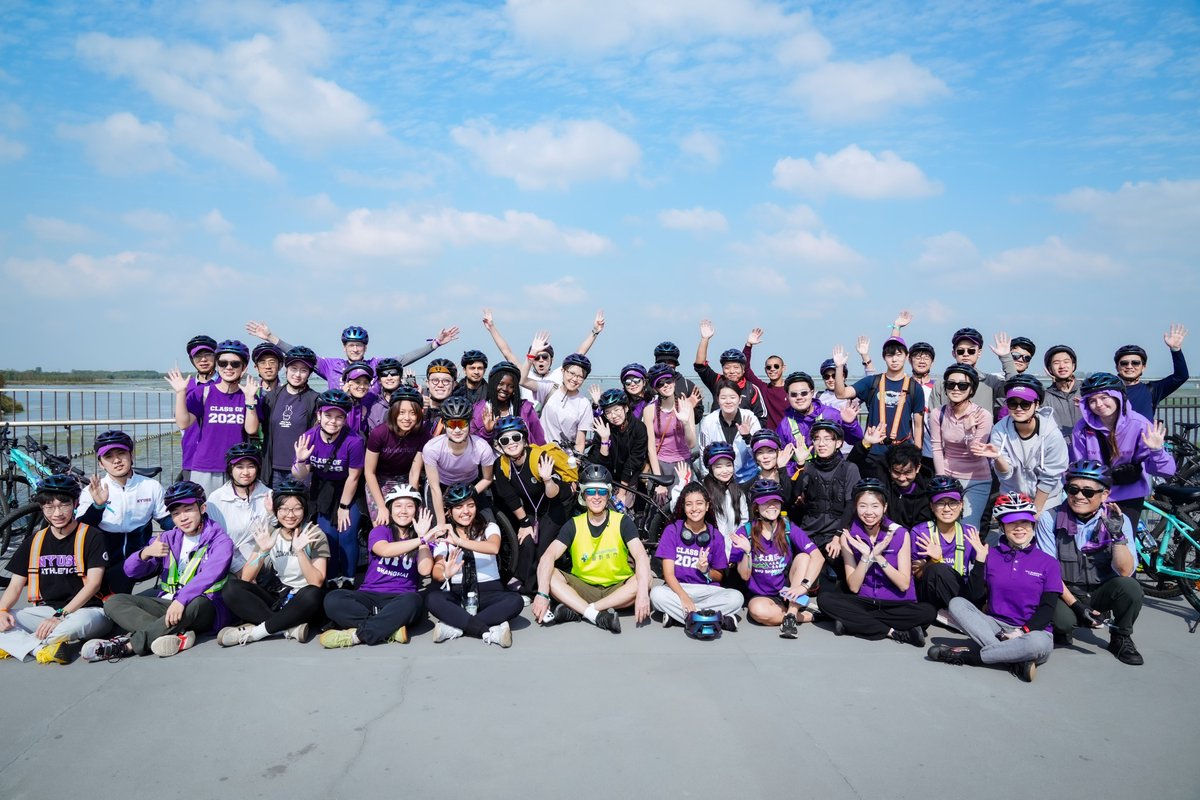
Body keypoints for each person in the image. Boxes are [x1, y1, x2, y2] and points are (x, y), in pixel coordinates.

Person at [85, 481, 233, 660]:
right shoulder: (168, 538)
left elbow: (210, 575)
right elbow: (131, 571)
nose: (182, 518)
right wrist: (145, 554)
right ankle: (174, 634)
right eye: (176, 513)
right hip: (167, 602)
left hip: (202, 606)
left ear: (202, 508)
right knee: (113, 602)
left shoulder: (221, 541)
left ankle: (129, 645)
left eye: (188, 510)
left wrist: (182, 600)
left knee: (197, 604)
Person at [929, 493, 1062, 683]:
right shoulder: (990, 554)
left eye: (1025, 522)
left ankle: (969, 657)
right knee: (957, 603)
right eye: (1011, 523)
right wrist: (980, 561)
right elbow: (973, 598)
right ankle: (1013, 660)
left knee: (1037, 644)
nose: (1019, 528)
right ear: (1002, 527)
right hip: (995, 627)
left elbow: (1048, 609)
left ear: (1033, 525)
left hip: (1032, 632)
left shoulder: (1049, 563)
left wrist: (1022, 632)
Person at [1035, 460, 1146, 665]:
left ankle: (1121, 637)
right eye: (1073, 489)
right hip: (1066, 591)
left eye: (1088, 492)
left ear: (1104, 494)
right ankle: (1062, 629)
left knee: (1130, 587)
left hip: (1101, 591)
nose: (1078, 496)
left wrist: (1117, 536)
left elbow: (1125, 571)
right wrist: (1077, 606)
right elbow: (1049, 574)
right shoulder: (1049, 519)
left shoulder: (1119, 520)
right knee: (1062, 621)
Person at [0, 475, 111, 664]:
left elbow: (93, 584)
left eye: (63, 505)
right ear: (42, 508)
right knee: (2, 620)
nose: (57, 513)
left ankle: (17, 644)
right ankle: (41, 650)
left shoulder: (92, 536)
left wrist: (61, 616)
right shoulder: (33, 541)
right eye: (49, 506)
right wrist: (2, 610)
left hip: (88, 611)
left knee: (73, 626)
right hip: (47, 611)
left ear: (75, 504)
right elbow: (15, 586)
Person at [532, 465, 652, 633]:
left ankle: (583, 610)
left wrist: (643, 594)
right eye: (590, 492)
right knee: (548, 573)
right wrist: (542, 594)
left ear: (608, 494)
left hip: (617, 587)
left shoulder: (622, 521)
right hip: (583, 587)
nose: (596, 497)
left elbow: (640, 556)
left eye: (602, 492)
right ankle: (597, 616)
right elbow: (548, 556)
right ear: (583, 495)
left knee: (645, 579)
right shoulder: (574, 524)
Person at [816, 478, 936, 645]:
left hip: (898, 604)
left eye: (875, 506)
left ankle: (854, 623)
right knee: (825, 600)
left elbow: (903, 584)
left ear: (884, 507)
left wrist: (878, 557)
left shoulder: (901, 534)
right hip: (865, 602)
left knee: (929, 612)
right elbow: (854, 586)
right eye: (863, 506)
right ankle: (893, 632)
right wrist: (866, 558)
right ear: (856, 508)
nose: (869, 512)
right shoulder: (848, 537)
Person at [217, 479, 329, 646]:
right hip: (281, 598)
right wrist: (262, 551)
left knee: (312, 594)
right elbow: (246, 578)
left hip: (304, 602)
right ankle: (286, 629)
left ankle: (256, 632)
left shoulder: (314, 534)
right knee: (231, 588)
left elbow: (316, 581)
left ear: (304, 510)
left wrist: (300, 552)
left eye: (297, 508)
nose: (290, 515)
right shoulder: (271, 532)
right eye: (283, 509)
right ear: (275, 510)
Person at [321, 484, 434, 647]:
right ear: (390, 509)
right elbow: (384, 550)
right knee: (333, 599)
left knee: (413, 602)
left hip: (400, 597)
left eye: (409, 506)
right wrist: (422, 540)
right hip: (369, 594)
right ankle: (388, 628)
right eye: (398, 506)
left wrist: (422, 537)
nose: (403, 511)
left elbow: (425, 569)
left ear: (416, 510)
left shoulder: (420, 539)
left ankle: (356, 636)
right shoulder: (381, 531)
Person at [1069, 373, 1174, 530]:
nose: (1099, 404)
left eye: (1104, 397)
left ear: (1118, 397)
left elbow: (1167, 471)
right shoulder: (1082, 428)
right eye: (1092, 400)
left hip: (1130, 494)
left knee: (1123, 544)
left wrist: (1157, 450)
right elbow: (1078, 466)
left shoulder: (1140, 425)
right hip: (1094, 494)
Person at [425, 484, 524, 647]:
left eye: (470, 505)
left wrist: (459, 541)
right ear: (449, 512)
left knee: (515, 601)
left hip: (490, 590)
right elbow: (437, 567)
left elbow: (493, 548)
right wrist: (444, 574)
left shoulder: (489, 527)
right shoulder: (444, 536)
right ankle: (488, 631)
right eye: (458, 507)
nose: (466, 511)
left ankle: (456, 626)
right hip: (458, 592)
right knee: (432, 598)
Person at [75, 430, 169, 594]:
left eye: (121, 453)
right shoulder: (93, 490)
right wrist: (97, 507)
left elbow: (166, 519)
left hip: (141, 556)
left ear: (131, 455)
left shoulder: (151, 486)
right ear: (100, 463)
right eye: (108, 457)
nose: (116, 460)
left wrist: (190, 521)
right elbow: (81, 529)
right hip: (105, 559)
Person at [246, 321, 460, 391]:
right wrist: (271, 337)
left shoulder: (375, 365)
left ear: (365, 348)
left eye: (359, 346)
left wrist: (436, 344)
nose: (355, 349)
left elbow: (404, 359)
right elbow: (300, 355)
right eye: (351, 345)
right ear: (344, 346)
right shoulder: (330, 365)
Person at [728, 479, 821, 638]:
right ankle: (808, 616)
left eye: (775, 501)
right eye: (765, 502)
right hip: (761, 595)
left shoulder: (788, 528)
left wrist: (803, 587)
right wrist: (747, 552)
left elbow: (818, 557)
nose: (771, 506)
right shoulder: (745, 532)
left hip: (788, 591)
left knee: (804, 557)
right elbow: (744, 575)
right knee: (757, 611)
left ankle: (791, 613)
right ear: (756, 507)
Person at [166, 339, 260, 495]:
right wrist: (180, 393)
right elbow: (183, 423)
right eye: (223, 363)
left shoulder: (247, 395)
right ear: (217, 365)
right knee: (205, 512)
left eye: (235, 364)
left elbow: (251, 429)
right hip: (205, 466)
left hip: (237, 466)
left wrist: (250, 400)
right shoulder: (204, 393)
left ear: (244, 368)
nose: (228, 368)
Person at [291, 389, 365, 588]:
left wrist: (343, 507)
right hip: (323, 488)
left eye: (339, 417)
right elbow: (300, 474)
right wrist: (300, 459)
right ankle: (331, 578)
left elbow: (354, 476)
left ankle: (349, 578)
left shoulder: (354, 441)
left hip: (348, 488)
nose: (333, 421)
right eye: (328, 415)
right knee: (328, 535)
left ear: (345, 418)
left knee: (347, 534)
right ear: (319, 415)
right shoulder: (308, 437)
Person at [492, 416, 574, 594]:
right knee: (527, 541)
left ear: (523, 437)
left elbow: (553, 493)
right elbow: (510, 496)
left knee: (543, 545)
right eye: (505, 440)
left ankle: (531, 589)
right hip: (533, 508)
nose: (511, 443)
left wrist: (546, 479)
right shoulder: (502, 464)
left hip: (557, 503)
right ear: (499, 445)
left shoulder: (538, 457)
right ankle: (523, 579)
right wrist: (524, 523)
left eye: (515, 437)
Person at [651, 482, 744, 629]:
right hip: (678, 588)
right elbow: (668, 574)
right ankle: (714, 618)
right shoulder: (672, 530)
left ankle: (683, 617)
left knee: (736, 598)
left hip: (706, 591)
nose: (694, 509)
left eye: (699, 503)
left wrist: (705, 570)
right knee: (656, 594)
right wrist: (684, 597)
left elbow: (719, 576)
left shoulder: (716, 536)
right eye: (689, 504)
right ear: (683, 507)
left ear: (707, 506)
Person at [972, 375, 1068, 515]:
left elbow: (1050, 477)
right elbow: (1005, 474)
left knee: (1043, 528)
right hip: (1012, 498)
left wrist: (1036, 511)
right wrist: (998, 457)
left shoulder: (1051, 434)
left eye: (1025, 404)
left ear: (1037, 404)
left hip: (1047, 499)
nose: (1018, 408)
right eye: (1012, 403)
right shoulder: (999, 430)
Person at [481, 306, 605, 400]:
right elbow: (507, 353)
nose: (540, 360)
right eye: (536, 357)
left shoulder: (560, 374)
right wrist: (491, 328)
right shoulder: (525, 373)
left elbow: (580, 353)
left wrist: (595, 331)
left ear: (552, 359)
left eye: (545, 357)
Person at [832, 338, 924, 461]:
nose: (894, 359)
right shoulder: (872, 382)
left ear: (907, 357)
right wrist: (839, 367)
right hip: (874, 452)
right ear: (884, 357)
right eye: (889, 355)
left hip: (903, 453)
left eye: (899, 355)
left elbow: (918, 426)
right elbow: (841, 394)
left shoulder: (915, 388)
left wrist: (917, 456)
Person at [926, 364, 993, 529]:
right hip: (948, 475)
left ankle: (969, 555)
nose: (956, 389)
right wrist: (942, 480)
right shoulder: (938, 414)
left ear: (971, 390)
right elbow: (936, 448)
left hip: (976, 479)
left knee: (968, 526)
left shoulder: (983, 415)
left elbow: (976, 454)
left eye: (962, 385)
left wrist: (968, 429)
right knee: (944, 524)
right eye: (951, 384)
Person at [794, 418, 861, 581]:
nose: (821, 444)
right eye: (817, 439)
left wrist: (838, 537)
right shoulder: (808, 467)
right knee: (804, 576)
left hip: (835, 532)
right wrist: (801, 465)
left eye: (827, 439)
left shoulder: (849, 468)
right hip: (810, 531)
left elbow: (851, 505)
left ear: (838, 443)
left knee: (842, 572)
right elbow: (792, 497)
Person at [417, 395, 496, 527]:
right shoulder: (432, 448)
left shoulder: (482, 448)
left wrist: (468, 496)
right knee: (436, 526)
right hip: (441, 486)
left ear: (469, 423)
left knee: (489, 523)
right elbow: (434, 488)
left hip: (471, 485)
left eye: (462, 424)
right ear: (444, 424)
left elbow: (487, 479)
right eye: (452, 424)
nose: (457, 430)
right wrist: (441, 523)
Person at [909, 476, 979, 615]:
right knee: (938, 570)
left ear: (961, 505)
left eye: (953, 502)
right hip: (931, 594)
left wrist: (982, 559)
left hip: (959, 592)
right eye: (940, 503)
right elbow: (917, 574)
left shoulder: (970, 532)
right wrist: (933, 560)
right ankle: (964, 617)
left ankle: (964, 614)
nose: (947, 509)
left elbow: (979, 576)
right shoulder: (920, 532)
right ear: (931, 506)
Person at [364, 385, 431, 526]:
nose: (407, 418)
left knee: (410, 521)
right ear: (393, 413)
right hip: (379, 480)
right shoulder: (379, 433)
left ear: (420, 413)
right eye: (401, 412)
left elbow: (414, 473)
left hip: (405, 478)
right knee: (382, 522)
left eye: (413, 413)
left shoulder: (423, 434)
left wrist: (413, 500)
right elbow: (369, 472)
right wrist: (381, 507)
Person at [205, 443, 272, 575]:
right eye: (239, 467)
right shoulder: (216, 498)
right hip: (225, 558)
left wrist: (272, 515)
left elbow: (275, 532)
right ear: (230, 469)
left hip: (260, 556)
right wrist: (238, 569)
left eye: (251, 466)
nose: (245, 473)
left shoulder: (269, 495)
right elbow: (212, 539)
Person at [924, 329, 1019, 419]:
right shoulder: (941, 383)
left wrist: (1006, 357)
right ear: (954, 353)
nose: (966, 354)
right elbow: (933, 418)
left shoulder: (991, 381)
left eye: (971, 351)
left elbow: (1016, 387)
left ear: (979, 352)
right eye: (961, 351)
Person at [521, 336, 593, 453]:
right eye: (571, 373)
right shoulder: (549, 387)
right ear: (563, 371)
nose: (575, 379)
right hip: (541, 453)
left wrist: (575, 462)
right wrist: (532, 354)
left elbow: (580, 442)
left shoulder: (584, 404)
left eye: (580, 377)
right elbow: (523, 380)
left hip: (565, 459)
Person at [258, 346, 319, 485]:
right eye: (293, 369)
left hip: (300, 468)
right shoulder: (271, 397)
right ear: (286, 369)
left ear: (309, 374)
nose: (297, 375)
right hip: (273, 469)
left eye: (303, 370)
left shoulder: (314, 399)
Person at [643, 363, 701, 507]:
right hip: (660, 464)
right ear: (656, 388)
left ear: (674, 382)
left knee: (685, 506)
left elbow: (692, 443)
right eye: (660, 383)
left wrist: (685, 422)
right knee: (659, 510)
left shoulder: (686, 405)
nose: (666, 385)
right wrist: (658, 480)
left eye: (668, 380)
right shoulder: (649, 410)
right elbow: (650, 448)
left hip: (682, 463)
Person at [849, 434, 933, 531]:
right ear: (889, 468)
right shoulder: (881, 477)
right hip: (880, 533)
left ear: (917, 468)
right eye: (896, 472)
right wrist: (865, 444)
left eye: (907, 472)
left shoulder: (927, 491)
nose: (902, 478)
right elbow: (851, 467)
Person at [694, 320, 767, 425]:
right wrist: (705, 339)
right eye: (727, 367)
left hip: (743, 437)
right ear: (722, 369)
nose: (732, 371)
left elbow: (761, 418)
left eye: (736, 367)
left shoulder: (752, 389)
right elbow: (700, 365)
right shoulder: (717, 381)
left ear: (743, 370)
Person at [586, 389, 649, 512]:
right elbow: (601, 464)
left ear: (625, 408)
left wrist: (622, 493)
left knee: (623, 510)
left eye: (617, 410)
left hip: (628, 478)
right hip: (607, 477)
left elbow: (634, 462)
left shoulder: (639, 428)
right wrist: (604, 439)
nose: (613, 416)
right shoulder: (603, 426)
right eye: (608, 412)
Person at [775, 371, 863, 455]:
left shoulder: (831, 414)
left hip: (832, 469)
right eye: (794, 394)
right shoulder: (784, 425)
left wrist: (850, 424)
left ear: (812, 393)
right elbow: (783, 458)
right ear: (787, 396)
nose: (799, 397)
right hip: (801, 469)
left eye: (804, 393)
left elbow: (856, 441)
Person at [1113, 324, 1189, 420]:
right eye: (1124, 363)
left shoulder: (1153, 390)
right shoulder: (1108, 391)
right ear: (1117, 367)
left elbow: (1181, 376)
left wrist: (1175, 349)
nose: (1129, 366)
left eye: (1135, 363)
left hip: (1145, 435)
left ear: (1143, 367)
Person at [697, 379, 761, 480]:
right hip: (718, 478)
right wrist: (707, 478)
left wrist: (747, 437)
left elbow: (759, 452)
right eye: (723, 398)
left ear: (739, 400)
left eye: (732, 397)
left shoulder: (750, 418)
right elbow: (703, 452)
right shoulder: (709, 421)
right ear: (718, 400)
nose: (728, 401)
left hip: (747, 477)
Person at [470, 360, 545, 445]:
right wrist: (487, 431)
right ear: (492, 384)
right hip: (492, 458)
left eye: (511, 386)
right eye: (500, 384)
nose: (505, 389)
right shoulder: (478, 410)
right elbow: (474, 446)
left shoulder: (525, 409)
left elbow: (539, 440)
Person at [741, 327, 789, 428]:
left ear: (783, 368)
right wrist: (748, 345)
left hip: (789, 437)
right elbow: (745, 369)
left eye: (776, 366)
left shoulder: (791, 391)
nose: (772, 369)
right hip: (769, 438)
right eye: (768, 367)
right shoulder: (763, 388)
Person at [700, 443, 749, 540]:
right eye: (719, 466)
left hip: (733, 549)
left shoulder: (738, 494)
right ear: (710, 468)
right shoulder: (702, 492)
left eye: (728, 465)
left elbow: (744, 521)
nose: (725, 470)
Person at [652, 341, 704, 423]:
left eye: (670, 362)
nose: (666, 365)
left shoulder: (688, 385)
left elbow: (697, 419)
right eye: (662, 362)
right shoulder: (649, 384)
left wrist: (690, 407)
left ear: (676, 364)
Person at [1042, 345, 1082, 438]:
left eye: (1066, 362)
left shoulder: (1087, 391)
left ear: (1073, 365)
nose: (1062, 366)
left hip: (1087, 448)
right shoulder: (1045, 397)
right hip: (1060, 450)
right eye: (1056, 363)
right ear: (1050, 369)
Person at [364, 357, 406, 431]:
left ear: (400, 377)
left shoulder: (411, 400)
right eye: (384, 374)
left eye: (393, 373)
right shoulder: (374, 407)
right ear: (379, 380)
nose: (389, 378)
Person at [341, 360, 381, 437]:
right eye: (357, 382)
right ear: (348, 383)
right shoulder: (337, 406)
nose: (362, 386)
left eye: (365, 383)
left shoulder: (363, 408)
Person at [422, 357, 459, 436]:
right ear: (427, 383)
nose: (440, 385)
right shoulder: (416, 410)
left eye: (446, 381)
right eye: (435, 380)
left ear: (454, 384)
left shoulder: (460, 412)